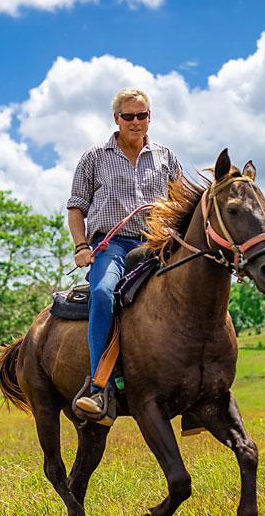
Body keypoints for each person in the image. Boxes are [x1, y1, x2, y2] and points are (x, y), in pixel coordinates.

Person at [67, 88, 184, 415]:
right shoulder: (94, 158)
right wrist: (81, 246)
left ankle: (198, 390)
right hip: (113, 245)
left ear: (150, 118)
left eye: (142, 115)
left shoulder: (166, 157)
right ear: (116, 119)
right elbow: (76, 207)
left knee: (195, 287)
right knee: (103, 292)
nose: (136, 122)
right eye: (128, 116)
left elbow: (181, 206)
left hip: (157, 244)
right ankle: (99, 387)